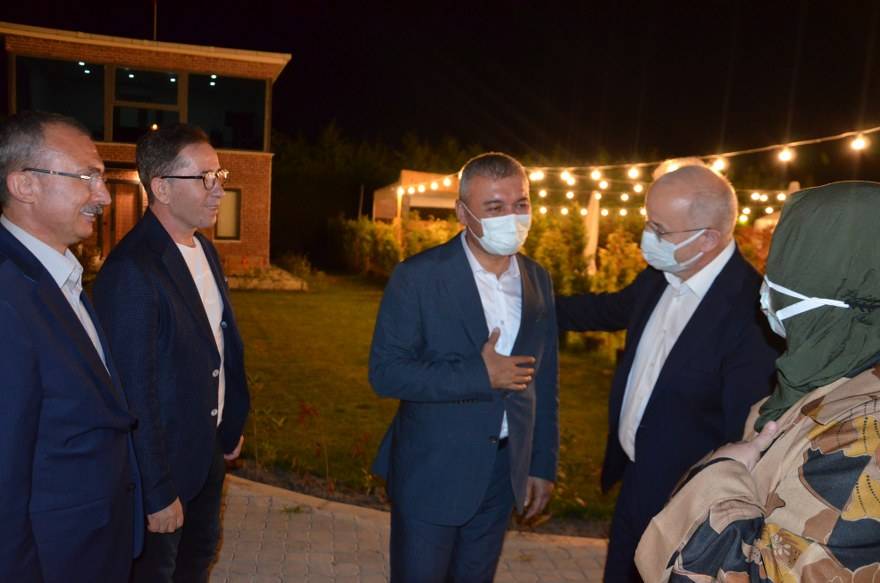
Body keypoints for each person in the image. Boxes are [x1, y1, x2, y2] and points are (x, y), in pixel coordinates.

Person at [636, 180, 880, 582]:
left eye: (787, 278)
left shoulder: (864, 438)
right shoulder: (822, 383)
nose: (767, 293)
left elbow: (758, 572)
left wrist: (721, 472)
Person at [556, 163, 780, 582]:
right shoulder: (663, 274)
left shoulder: (751, 315)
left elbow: (744, 433)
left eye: (659, 229)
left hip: (688, 505)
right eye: (648, 222)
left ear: (707, 238)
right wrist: (527, 301)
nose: (647, 236)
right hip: (634, 479)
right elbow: (607, 310)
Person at [370, 152, 559, 582]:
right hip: (433, 471)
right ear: (462, 213)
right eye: (494, 207)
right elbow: (386, 372)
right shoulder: (419, 276)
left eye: (521, 204)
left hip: (502, 472)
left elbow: (545, 381)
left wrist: (540, 464)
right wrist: (479, 375)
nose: (511, 217)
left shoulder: (537, 279)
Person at [93, 123, 250, 582]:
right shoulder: (132, 269)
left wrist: (230, 422)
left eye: (219, 175)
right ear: (161, 187)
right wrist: (156, 490)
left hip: (207, 453)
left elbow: (218, 345)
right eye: (204, 177)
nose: (219, 188)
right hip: (163, 469)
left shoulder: (204, 250)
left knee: (196, 563)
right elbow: (133, 393)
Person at [0, 111, 143, 582]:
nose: (103, 195)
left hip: (94, 544)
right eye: (87, 177)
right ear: (24, 185)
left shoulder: (57, 275)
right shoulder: (7, 296)